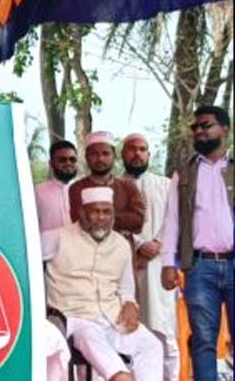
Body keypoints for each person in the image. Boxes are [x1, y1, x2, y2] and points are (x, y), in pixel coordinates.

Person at [44, 187, 163, 381]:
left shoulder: (121, 244)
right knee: (90, 337)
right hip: (75, 317)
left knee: (152, 346)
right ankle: (120, 376)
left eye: (107, 212)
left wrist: (130, 304)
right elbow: (24, 255)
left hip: (112, 318)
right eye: (95, 211)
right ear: (82, 213)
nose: (101, 217)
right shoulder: (57, 238)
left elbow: (126, 288)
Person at [161, 105, 233, 380]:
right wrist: (168, 263)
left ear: (224, 129)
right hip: (200, 267)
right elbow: (173, 220)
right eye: (196, 127)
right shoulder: (185, 173)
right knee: (203, 340)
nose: (199, 131)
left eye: (206, 125)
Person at [121, 133, 179, 380]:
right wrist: (138, 245)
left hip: (159, 267)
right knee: (127, 331)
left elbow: (175, 220)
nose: (137, 153)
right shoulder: (113, 186)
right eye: (131, 149)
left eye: (142, 149)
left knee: (163, 329)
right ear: (123, 153)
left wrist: (156, 244)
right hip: (126, 265)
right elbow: (110, 222)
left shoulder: (166, 185)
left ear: (149, 154)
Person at [69, 131, 146, 241]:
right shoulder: (76, 188)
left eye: (105, 153)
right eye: (94, 154)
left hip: (123, 249)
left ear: (114, 156)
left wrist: (94, 216)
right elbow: (80, 223)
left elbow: (138, 221)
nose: (100, 158)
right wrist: (122, 221)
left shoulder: (128, 187)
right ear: (86, 157)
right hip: (86, 248)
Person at [35, 140, 78, 233]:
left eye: (72, 159)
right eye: (62, 160)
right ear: (51, 163)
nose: (68, 163)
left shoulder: (82, 190)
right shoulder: (37, 192)